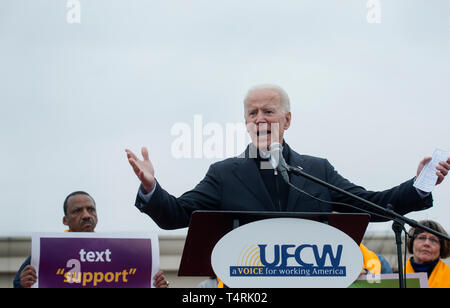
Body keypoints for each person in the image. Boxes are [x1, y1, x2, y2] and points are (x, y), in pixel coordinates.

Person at [126, 84, 450, 230]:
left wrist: (420, 185)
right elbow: (177, 215)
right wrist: (152, 189)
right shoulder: (224, 174)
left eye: (269, 111)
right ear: (245, 123)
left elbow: (373, 206)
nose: (259, 118)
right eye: (252, 113)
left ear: (288, 120)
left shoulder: (316, 170)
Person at [14, 191, 169, 288]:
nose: (86, 215)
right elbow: (19, 284)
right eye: (77, 211)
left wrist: (156, 285)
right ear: (65, 220)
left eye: (91, 209)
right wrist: (24, 284)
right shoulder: (47, 253)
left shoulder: (116, 253)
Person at [406, 220, 450, 288]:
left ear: (441, 247)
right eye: (422, 238)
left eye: (433, 240)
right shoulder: (395, 276)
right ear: (412, 242)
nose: (426, 243)